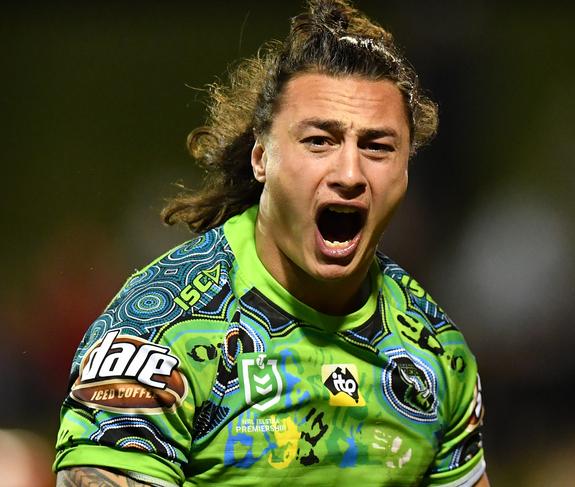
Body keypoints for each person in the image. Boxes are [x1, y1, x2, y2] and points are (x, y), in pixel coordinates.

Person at [54, 1, 489, 485]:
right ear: (262, 158)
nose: (350, 174)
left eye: (377, 147)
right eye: (319, 140)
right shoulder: (159, 333)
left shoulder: (435, 353)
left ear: (407, 169)